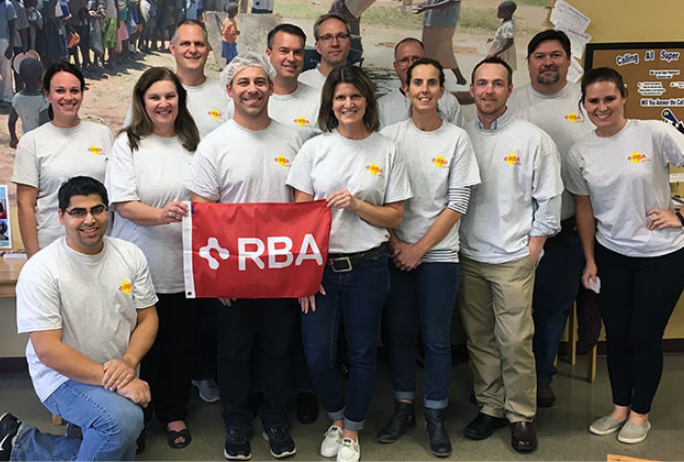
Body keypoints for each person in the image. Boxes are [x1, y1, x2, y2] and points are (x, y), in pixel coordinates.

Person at [287, 64, 412, 462]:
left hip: (369, 267)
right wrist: (305, 274)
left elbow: (395, 216)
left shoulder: (387, 150)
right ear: (330, 103)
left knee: (361, 353)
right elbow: (298, 220)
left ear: (366, 101)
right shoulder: (314, 149)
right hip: (321, 269)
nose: (348, 103)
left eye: (355, 96)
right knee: (316, 354)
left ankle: (352, 430)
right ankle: (337, 417)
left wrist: (358, 205)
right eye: (340, 97)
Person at [186, 52, 302, 461]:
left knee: (278, 348)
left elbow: (303, 209)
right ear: (231, 90)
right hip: (232, 273)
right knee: (232, 350)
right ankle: (236, 421)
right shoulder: (214, 145)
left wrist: (303, 276)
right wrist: (216, 277)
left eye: (259, 82)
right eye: (244, 83)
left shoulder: (294, 139)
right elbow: (203, 212)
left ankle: (274, 418)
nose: (252, 89)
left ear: (271, 87)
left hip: (280, 272)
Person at [0, 175, 158, 462]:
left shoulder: (130, 255)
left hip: (116, 368)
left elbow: (148, 318)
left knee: (124, 445)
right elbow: (48, 350)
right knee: (123, 424)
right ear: (61, 217)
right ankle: (24, 445)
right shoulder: (42, 269)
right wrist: (119, 382)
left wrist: (130, 362)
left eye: (97, 209)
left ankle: (19, 443)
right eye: (78, 212)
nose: (90, 219)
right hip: (60, 377)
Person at [565, 67, 684, 444]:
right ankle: (619, 407)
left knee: (645, 336)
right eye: (593, 101)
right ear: (583, 105)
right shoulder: (580, 151)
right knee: (615, 335)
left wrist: (679, 215)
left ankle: (640, 413)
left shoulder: (654, 133)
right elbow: (584, 209)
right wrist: (589, 259)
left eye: (609, 99)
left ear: (623, 97)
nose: (601, 107)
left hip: (662, 255)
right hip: (611, 253)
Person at [458, 57, 562, 453]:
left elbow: (549, 198)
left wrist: (533, 248)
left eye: (497, 84)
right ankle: (491, 406)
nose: (488, 90)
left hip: (514, 257)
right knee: (479, 338)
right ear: (471, 90)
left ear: (508, 89)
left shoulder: (532, 138)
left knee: (516, 340)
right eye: (481, 83)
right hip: (470, 255)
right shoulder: (461, 136)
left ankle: (520, 415)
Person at [378, 57, 480, 458]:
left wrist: (419, 248)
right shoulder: (389, 137)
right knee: (400, 333)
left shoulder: (456, 139)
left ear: (441, 90)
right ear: (405, 89)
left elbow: (458, 202)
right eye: (416, 82)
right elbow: (377, 198)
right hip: (394, 252)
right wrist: (397, 245)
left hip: (438, 255)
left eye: (431, 83)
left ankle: (435, 414)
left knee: (436, 338)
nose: (423, 89)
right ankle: (403, 407)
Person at [106, 66, 203, 449]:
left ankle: (174, 411)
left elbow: (210, 198)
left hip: (184, 265)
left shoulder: (196, 143)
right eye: (155, 97)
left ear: (180, 100)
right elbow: (124, 205)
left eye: (170, 96)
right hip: (135, 264)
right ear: (143, 103)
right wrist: (164, 215)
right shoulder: (128, 143)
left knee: (180, 344)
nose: (164, 104)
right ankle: (137, 417)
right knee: (137, 349)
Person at [507, 29, 595, 408]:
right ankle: (509, 381)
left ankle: (542, 376)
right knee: (511, 313)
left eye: (556, 55)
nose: (548, 62)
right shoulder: (512, 101)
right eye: (540, 56)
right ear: (529, 62)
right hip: (512, 230)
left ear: (568, 59)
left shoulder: (588, 100)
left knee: (550, 310)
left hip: (564, 229)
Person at [12, 62, 113, 258]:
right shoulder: (32, 142)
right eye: (60, 91)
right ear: (47, 95)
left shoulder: (103, 135)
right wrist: (34, 260)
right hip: (52, 250)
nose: (68, 97)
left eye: (74, 91)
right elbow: (26, 206)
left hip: (101, 248)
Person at [377, 37, 463, 129]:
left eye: (416, 59)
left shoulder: (449, 102)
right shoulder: (381, 106)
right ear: (396, 66)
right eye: (404, 60)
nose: (411, 65)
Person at [266, 23, 320, 141]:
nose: (291, 58)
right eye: (284, 51)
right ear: (269, 54)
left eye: (297, 52)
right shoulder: (251, 98)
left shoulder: (319, 102)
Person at [414, 0, 466, 86]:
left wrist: (428, 7)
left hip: (444, 22)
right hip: (431, 20)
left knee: (444, 50)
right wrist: (423, 4)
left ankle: (459, 77)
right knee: (428, 49)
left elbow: (450, 2)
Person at [298, 13, 351, 90]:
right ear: (318, 47)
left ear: (349, 43)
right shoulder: (301, 83)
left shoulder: (361, 83)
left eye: (341, 36)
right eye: (327, 38)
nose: (335, 43)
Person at [8, 57, 49, 148]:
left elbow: (11, 121)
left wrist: (13, 138)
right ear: (40, 78)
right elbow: (44, 126)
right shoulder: (43, 102)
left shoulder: (17, 98)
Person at [486, 1, 516, 71]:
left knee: (500, 68)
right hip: (499, 50)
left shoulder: (508, 26)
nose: (497, 14)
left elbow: (510, 42)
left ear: (506, 12)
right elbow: (503, 36)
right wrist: (493, 39)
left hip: (502, 53)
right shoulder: (506, 22)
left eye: (500, 12)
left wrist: (496, 53)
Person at [0, 0, 17, 106]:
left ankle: (7, 97)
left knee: (6, 69)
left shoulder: (8, 5)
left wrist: (11, 46)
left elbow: (12, 27)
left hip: (4, 41)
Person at [220, 1, 239, 65]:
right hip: (229, 42)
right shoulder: (230, 23)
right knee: (230, 57)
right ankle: (229, 67)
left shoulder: (228, 20)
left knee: (230, 57)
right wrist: (234, 33)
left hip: (229, 41)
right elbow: (225, 32)